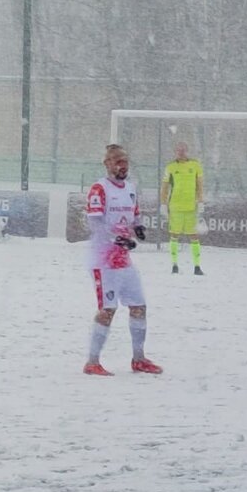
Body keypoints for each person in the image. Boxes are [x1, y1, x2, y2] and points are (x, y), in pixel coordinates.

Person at [84, 143, 163, 376]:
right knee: (108, 310)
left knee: (139, 306)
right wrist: (117, 239)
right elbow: (95, 223)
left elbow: (135, 214)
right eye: (117, 161)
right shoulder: (99, 189)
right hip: (104, 260)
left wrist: (138, 228)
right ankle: (92, 362)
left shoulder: (130, 188)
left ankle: (138, 359)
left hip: (124, 260)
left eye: (125, 161)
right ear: (107, 164)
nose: (122, 165)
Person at [159, 142, 205, 275]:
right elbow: (165, 187)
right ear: (175, 152)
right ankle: (174, 264)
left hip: (191, 207)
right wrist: (163, 203)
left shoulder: (195, 165)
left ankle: (197, 266)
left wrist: (201, 201)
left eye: (183, 150)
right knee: (174, 235)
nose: (181, 152)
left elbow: (200, 185)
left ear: (187, 150)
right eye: (179, 150)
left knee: (194, 236)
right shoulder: (171, 167)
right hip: (175, 207)